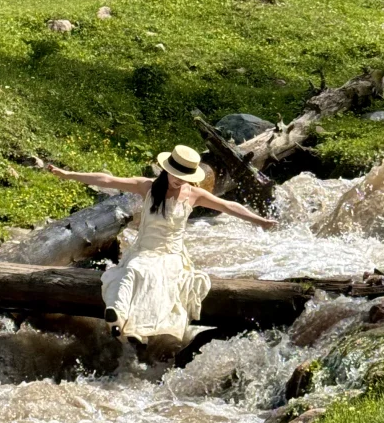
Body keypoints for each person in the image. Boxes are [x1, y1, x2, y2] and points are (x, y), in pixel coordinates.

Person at [43, 145, 277, 349]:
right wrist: (68, 174)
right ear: (166, 169)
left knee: (158, 278)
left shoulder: (194, 194)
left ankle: (138, 333)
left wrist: (260, 220)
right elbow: (107, 180)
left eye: (183, 176)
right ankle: (117, 317)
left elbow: (228, 206)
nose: (178, 179)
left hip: (171, 253)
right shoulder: (147, 186)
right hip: (144, 249)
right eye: (175, 173)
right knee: (134, 270)